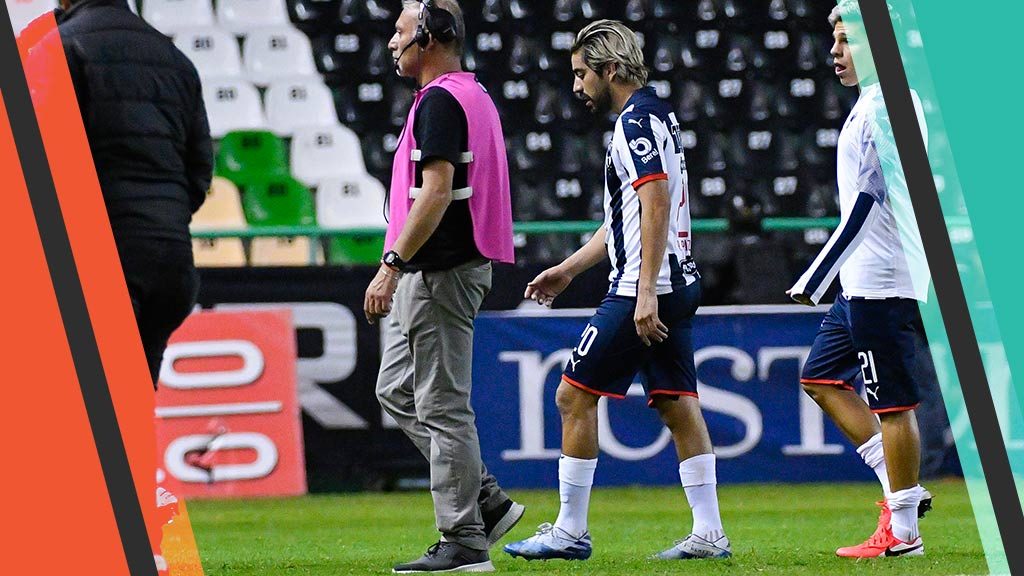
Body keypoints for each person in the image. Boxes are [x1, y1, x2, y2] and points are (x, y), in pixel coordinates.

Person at [503, 20, 731, 562]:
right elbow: (627, 219)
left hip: (642, 288)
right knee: (676, 403)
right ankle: (709, 533)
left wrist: (646, 290)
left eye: (583, 74)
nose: (577, 86)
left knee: (571, 396)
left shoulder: (634, 125)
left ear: (610, 70)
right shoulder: (657, 116)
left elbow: (653, 203)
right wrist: (568, 269)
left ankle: (569, 531)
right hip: (676, 280)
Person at [20, 1, 212, 573]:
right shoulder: (174, 58)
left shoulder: (60, 49)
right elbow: (199, 166)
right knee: (129, 404)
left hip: (97, 250)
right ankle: (141, 545)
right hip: (168, 261)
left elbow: (36, 156)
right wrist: (164, 219)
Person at [364, 0, 522, 572]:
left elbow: (433, 194)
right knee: (397, 390)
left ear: (430, 37)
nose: (390, 41)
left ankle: (464, 540)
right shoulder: (468, 93)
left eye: (401, 30)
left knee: (441, 405)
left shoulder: (439, 101)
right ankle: (485, 498)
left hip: (438, 271)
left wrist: (391, 265)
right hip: (446, 268)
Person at [787, 1, 934, 559]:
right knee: (820, 377)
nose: (834, 51)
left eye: (847, 40)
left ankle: (903, 533)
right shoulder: (870, 104)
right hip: (860, 279)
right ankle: (902, 491)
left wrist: (818, 272)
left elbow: (874, 197)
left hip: (883, 278)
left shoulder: (892, 104)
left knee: (892, 404)